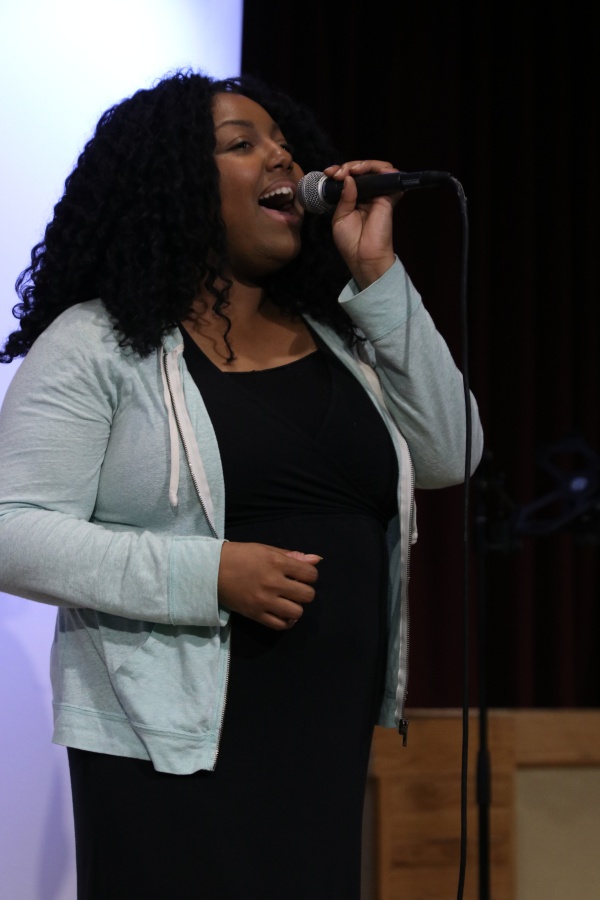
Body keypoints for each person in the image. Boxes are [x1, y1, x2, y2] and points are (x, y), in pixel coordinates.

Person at [0, 70, 483, 899]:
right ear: (177, 183)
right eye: (242, 144)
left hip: (322, 739)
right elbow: (12, 529)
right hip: (169, 748)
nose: (281, 159)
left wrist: (378, 275)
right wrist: (209, 574)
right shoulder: (98, 342)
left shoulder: (340, 340)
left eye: (285, 145)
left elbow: (452, 451)